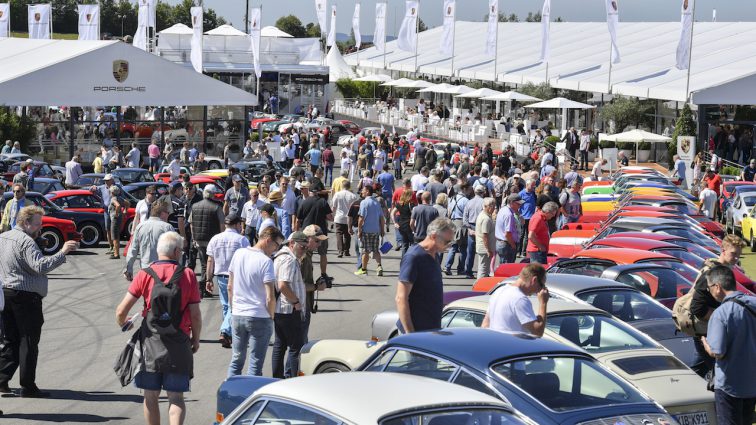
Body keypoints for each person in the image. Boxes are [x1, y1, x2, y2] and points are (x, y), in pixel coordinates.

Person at [115, 231, 201, 425]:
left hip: (150, 344)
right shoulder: (187, 274)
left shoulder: (145, 274)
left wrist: (124, 323)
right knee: (176, 398)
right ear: (177, 251)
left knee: (150, 396)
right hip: (178, 343)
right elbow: (195, 314)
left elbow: (121, 310)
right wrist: (195, 340)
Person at [0, 206, 79, 397]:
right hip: (26, 297)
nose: (39, 227)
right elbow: (40, 266)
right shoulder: (26, 241)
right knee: (28, 341)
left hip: (6, 293)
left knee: (10, 340)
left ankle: (2, 379)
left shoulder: (4, 237)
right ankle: (28, 385)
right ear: (26, 223)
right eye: (37, 224)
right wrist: (63, 252)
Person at [699, 266, 756, 425]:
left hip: (730, 385)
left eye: (709, 287)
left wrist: (705, 343)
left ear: (717, 287)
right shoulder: (753, 302)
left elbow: (718, 352)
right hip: (752, 383)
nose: (709, 291)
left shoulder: (720, 313)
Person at [689, 235, 745, 378]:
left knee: (699, 370)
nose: (736, 258)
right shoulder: (710, 273)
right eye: (733, 253)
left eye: (739, 255)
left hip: (710, 329)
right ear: (723, 250)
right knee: (720, 370)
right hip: (705, 332)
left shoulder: (724, 270)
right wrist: (721, 317)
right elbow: (697, 308)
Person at [396, 218, 456, 333]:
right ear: (433, 236)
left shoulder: (435, 255)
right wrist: (411, 335)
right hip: (416, 331)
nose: (449, 246)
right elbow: (401, 298)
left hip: (431, 329)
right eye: (447, 242)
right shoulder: (413, 257)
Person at [205, 213, 250, 349]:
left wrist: (208, 278)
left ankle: (228, 333)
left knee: (226, 305)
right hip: (236, 277)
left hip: (220, 277)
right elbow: (246, 261)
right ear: (236, 224)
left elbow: (210, 260)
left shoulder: (215, 239)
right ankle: (225, 331)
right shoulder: (242, 240)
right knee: (233, 306)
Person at [271, 231, 310, 378]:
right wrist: (296, 302)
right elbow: (283, 285)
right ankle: (293, 381)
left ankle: (277, 378)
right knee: (295, 347)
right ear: (292, 243)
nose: (304, 250)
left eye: (306, 247)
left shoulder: (280, 257)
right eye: (302, 247)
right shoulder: (289, 260)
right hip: (288, 309)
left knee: (280, 345)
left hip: (280, 308)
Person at [482, 263, 549, 336]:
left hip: (496, 343)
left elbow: (486, 323)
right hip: (512, 345)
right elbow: (538, 332)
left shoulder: (499, 291)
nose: (540, 290)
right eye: (541, 285)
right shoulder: (520, 299)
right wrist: (543, 303)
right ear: (534, 280)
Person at [124, 200, 175, 281]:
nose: (168, 215)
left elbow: (132, 250)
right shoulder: (167, 227)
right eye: (167, 212)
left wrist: (128, 269)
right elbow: (175, 251)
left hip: (145, 271)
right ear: (162, 213)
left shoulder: (140, 227)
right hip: (162, 272)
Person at [189, 186, 225, 297]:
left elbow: (191, 223)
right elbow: (222, 225)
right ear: (212, 194)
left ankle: (203, 287)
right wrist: (222, 238)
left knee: (204, 263)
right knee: (211, 264)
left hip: (199, 240)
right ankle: (203, 286)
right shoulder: (216, 207)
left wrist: (194, 237)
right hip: (212, 240)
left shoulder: (195, 206)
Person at [294, 186, 333, 278]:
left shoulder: (304, 202)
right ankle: (323, 274)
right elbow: (329, 217)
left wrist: (296, 231)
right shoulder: (323, 202)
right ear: (318, 192)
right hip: (320, 232)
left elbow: (298, 219)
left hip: (307, 233)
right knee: (323, 254)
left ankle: (306, 273)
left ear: (309, 191)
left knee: (306, 255)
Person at [355, 185, 385, 276]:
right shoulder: (377, 202)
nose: (362, 192)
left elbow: (361, 218)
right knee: (376, 250)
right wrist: (382, 230)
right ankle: (379, 266)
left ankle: (363, 269)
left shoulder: (364, 202)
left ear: (367, 191)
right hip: (376, 230)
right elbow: (381, 218)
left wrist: (359, 230)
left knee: (365, 251)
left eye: (363, 190)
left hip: (366, 230)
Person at [462, 185, 486, 278]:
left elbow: (465, 218)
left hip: (471, 226)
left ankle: (468, 271)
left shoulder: (469, 202)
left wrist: (469, 229)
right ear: (483, 192)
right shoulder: (484, 203)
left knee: (470, 251)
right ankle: (482, 272)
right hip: (481, 227)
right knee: (482, 250)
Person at [331, 180, 358, 258]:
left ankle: (340, 250)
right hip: (348, 218)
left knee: (339, 234)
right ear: (349, 186)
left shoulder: (337, 194)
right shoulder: (353, 196)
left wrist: (332, 216)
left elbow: (334, 206)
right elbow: (355, 208)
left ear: (342, 186)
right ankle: (347, 250)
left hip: (339, 217)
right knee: (347, 234)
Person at [91, 174, 117, 255]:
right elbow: (91, 190)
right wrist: (93, 187)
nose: (106, 182)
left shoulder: (116, 188)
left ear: (112, 180)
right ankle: (111, 247)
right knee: (107, 229)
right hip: (106, 211)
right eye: (105, 180)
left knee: (114, 229)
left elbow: (122, 197)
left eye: (108, 180)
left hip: (114, 210)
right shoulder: (102, 187)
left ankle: (115, 248)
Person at [496, 194, 523, 264]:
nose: (520, 206)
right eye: (518, 204)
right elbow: (507, 233)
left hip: (503, 243)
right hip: (507, 244)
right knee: (507, 268)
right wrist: (513, 245)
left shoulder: (503, 209)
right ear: (511, 203)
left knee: (504, 266)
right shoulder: (509, 214)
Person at [475, 198, 497, 278]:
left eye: (494, 206)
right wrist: (488, 250)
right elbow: (485, 235)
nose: (494, 209)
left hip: (484, 248)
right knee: (483, 271)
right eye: (492, 207)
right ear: (487, 207)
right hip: (485, 249)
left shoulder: (484, 215)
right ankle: (478, 288)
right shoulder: (486, 219)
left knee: (484, 269)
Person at [108, 185, 129, 259]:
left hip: (115, 219)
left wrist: (116, 214)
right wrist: (125, 211)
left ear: (112, 192)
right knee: (116, 236)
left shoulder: (113, 199)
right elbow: (127, 203)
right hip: (119, 219)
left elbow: (118, 205)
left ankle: (116, 254)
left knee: (114, 237)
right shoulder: (120, 198)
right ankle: (115, 252)